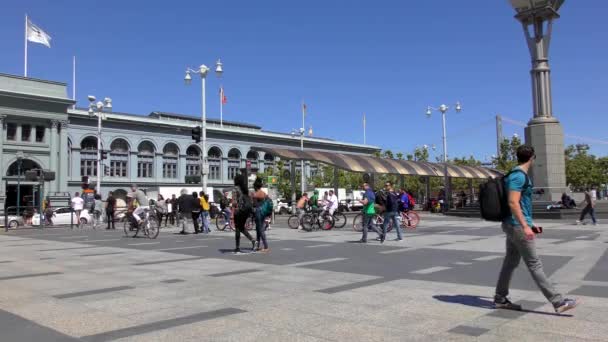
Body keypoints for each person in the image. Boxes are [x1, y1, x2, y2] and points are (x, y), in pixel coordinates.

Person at [494, 145, 578, 313]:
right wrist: (525, 226)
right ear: (532, 157)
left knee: (510, 262)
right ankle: (558, 302)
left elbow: (521, 204)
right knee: (534, 264)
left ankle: (500, 298)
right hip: (517, 226)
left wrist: (530, 223)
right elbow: (513, 202)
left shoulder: (516, 174)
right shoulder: (518, 176)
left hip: (513, 224)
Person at [233, 173, 255, 253]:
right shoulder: (245, 189)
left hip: (239, 211)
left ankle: (237, 247)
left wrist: (233, 208)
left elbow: (234, 203)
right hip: (246, 211)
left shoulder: (235, 189)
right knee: (241, 227)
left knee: (238, 229)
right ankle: (252, 240)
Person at [252, 177, 270, 252]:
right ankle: (258, 245)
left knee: (260, 230)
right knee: (258, 229)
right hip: (263, 212)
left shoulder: (256, 194)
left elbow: (254, 205)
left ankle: (266, 247)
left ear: (256, 186)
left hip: (258, 211)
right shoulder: (264, 193)